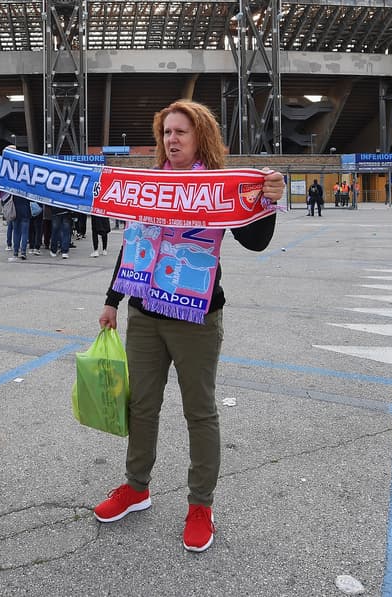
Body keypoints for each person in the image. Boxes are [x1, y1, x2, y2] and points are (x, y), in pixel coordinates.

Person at [93, 99, 284, 553]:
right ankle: (136, 487)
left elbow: (254, 241)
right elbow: (134, 242)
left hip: (196, 318)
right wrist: (112, 300)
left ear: (201, 137)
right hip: (144, 314)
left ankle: (201, 504)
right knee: (141, 406)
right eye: (166, 133)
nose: (171, 140)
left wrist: (268, 200)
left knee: (199, 412)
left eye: (181, 132)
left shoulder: (216, 186)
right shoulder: (150, 184)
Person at [7, 193, 31, 261]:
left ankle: (15, 252)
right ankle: (23, 252)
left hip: (15, 213)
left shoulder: (15, 187)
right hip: (26, 212)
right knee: (25, 233)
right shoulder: (27, 188)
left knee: (16, 233)